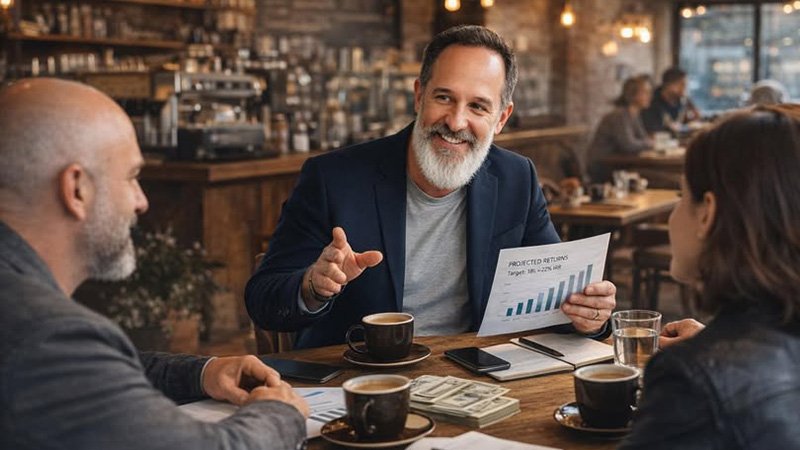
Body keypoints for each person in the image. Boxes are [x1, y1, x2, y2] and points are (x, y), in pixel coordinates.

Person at [246, 25, 617, 350]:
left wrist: (589, 316)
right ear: (419, 95)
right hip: (360, 379)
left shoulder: (516, 177)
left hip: (477, 376)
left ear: (501, 118)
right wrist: (312, 286)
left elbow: (556, 298)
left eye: (477, 107)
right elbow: (263, 298)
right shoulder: (333, 178)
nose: (456, 122)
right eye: (444, 97)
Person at [0, 78, 309, 450]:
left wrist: (203, 372)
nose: (141, 201)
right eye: (131, 177)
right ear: (76, 188)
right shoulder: (44, 334)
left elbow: (94, 374)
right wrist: (278, 413)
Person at [620, 104, 800, 449]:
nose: (674, 216)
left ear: (708, 214)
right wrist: (720, 347)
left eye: (681, 196)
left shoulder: (689, 381)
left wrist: (708, 362)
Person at [586, 75, 654, 183]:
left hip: (619, 164)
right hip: (603, 166)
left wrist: (649, 143)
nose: (650, 96)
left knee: (650, 176)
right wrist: (651, 144)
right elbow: (629, 145)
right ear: (633, 94)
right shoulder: (619, 115)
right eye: (645, 92)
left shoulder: (634, 114)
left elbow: (643, 139)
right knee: (652, 178)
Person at [641, 67, 701, 134]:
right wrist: (686, 128)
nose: (684, 89)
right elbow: (655, 131)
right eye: (682, 84)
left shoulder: (682, 101)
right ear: (668, 85)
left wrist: (694, 119)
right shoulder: (651, 102)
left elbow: (683, 123)